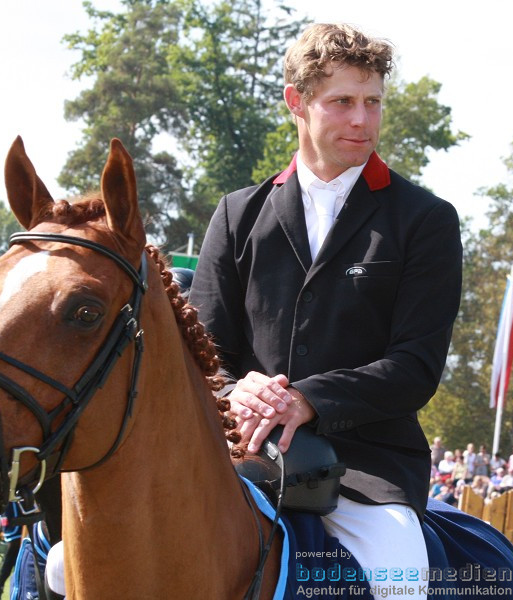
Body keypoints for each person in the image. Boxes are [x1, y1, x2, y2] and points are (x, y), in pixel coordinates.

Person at [191, 22, 463, 600]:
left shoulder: (426, 220)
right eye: (342, 102)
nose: (362, 120)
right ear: (297, 101)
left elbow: (415, 367)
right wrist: (232, 391)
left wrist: (310, 399)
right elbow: (202, 355)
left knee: (403, 581)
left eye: (373, 103)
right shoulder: (238, 214)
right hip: (237, 450)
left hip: (367, 467)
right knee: (71, 562)